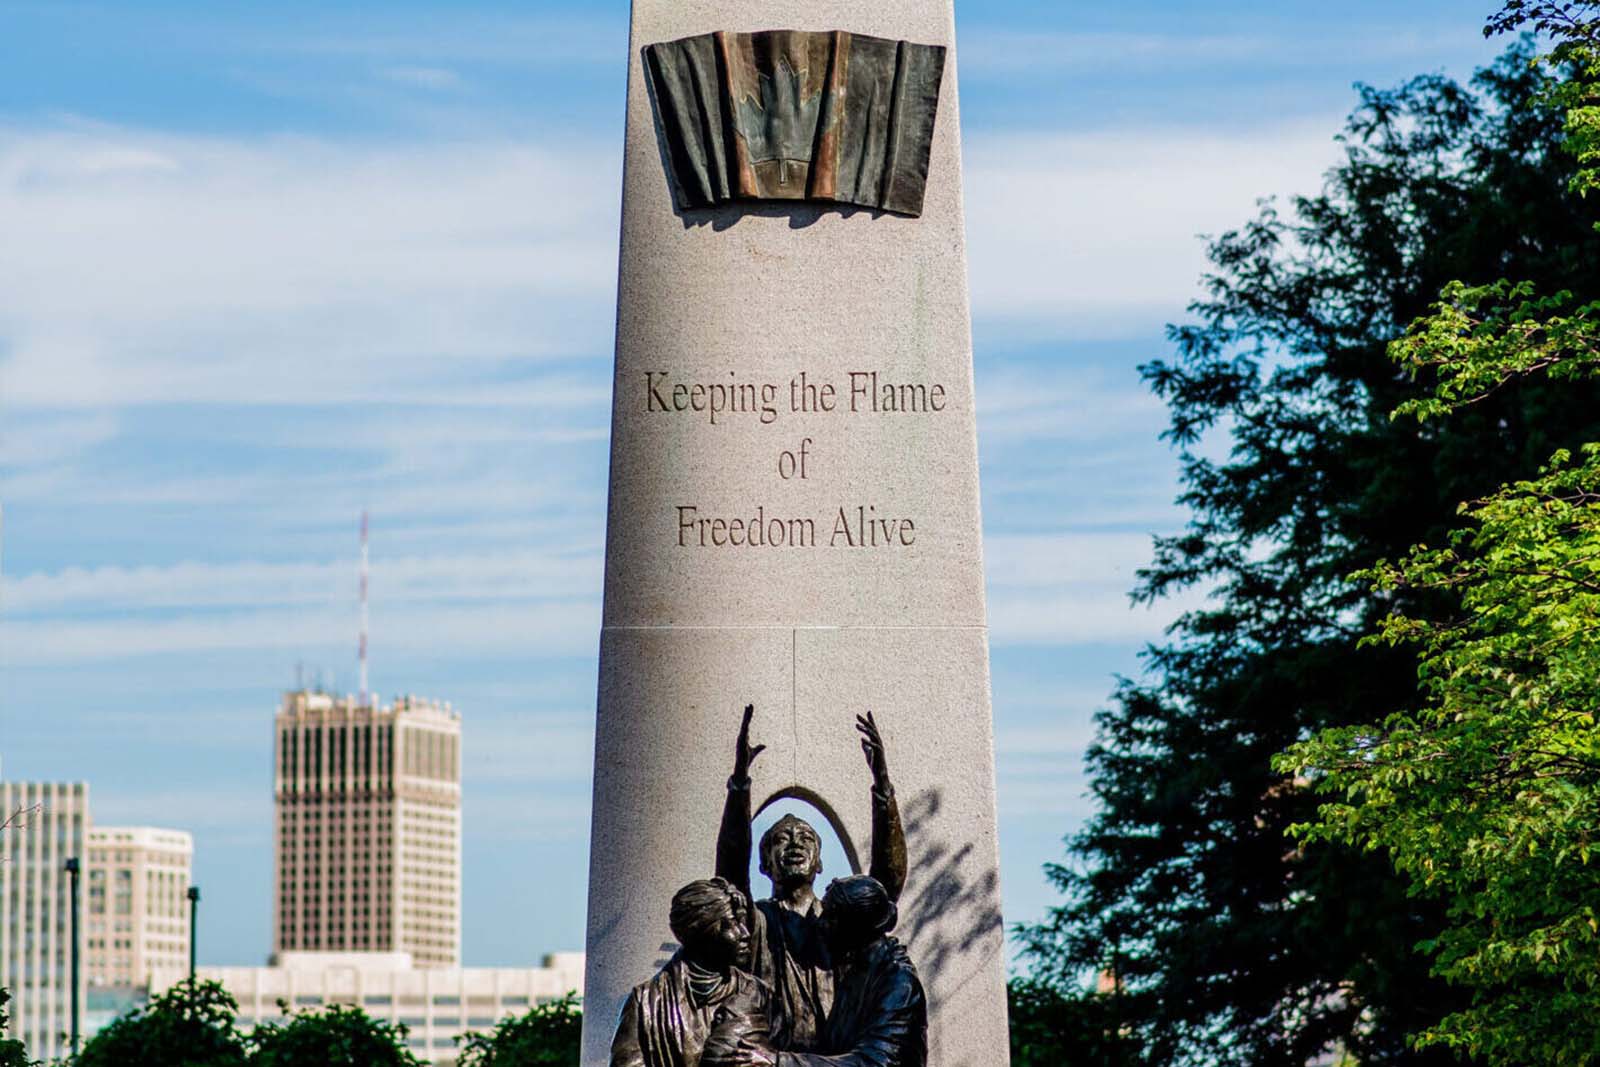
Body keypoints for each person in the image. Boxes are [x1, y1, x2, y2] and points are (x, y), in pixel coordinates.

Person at [715, 706, 907, 1051]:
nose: (794, 844)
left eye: (805, 838)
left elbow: (886, 886)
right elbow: (729, 875)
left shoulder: (840, 923)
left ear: (819, 864)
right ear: (764, 864)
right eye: (781, 839)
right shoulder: (758, 922)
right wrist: (739, 786)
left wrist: (883, 789)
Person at [703, 875, 928, 1067]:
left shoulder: (899, 983)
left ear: (855, 927)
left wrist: (779, 1061)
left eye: (830, 916)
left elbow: (875, 1062)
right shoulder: (857, 972)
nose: (820, 923)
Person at [611, 878, 775, 1067]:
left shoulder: (760, 995)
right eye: (731, 924)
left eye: (743, 922)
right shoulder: (647, 1004)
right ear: (700, 931)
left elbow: (789, 1054)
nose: (745, 933)